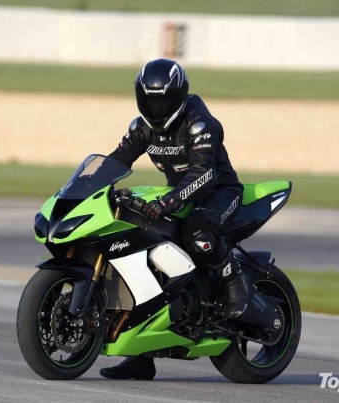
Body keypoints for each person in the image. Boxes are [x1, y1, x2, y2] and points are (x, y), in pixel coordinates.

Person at [101, 58, 248, 380]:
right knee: (136, 245)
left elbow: (205, 173)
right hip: (178, 195)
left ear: (179, 96)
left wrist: (170, 200)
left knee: (199, 232)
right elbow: (117, 160)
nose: (157, 108)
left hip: (218, 193)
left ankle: (233, 283)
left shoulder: (200, 123)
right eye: (150, 101)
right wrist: (88, 186)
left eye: (164, 101)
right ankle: (140, 355)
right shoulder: (141, 127)